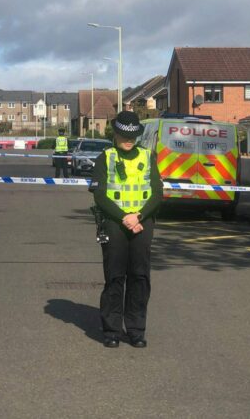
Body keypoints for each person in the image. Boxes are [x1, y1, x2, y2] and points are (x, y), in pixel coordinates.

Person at [90, 111, 163, 348]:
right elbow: (100, 195)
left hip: (143, 221)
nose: (128, 140)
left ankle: (135, 330)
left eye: (132, 136)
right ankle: (111, 329)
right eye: (123, 135)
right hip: (114, 222)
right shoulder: (105, 158)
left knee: (140, 276)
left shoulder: (148, 156)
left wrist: (138, 216)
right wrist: (125, 217)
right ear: (116, 134)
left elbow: (157, 192)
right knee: (115, 277)